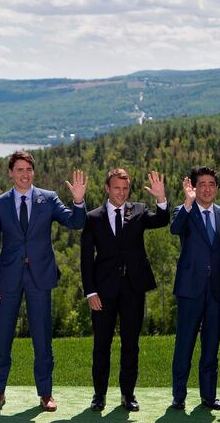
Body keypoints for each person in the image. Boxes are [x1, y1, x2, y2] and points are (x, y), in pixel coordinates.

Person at [0, 150, 87, 412]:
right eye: (19, 170)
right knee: (3, 338)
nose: (24, 174)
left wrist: (78, 200)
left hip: (40, 277)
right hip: (6, 280)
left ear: (33, 172)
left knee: (42, 339)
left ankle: (46, 393)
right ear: (11, 173)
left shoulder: (48, 199)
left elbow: (75, 223)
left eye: (28, 169)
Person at [80, 168, 169, 412]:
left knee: (131, 344)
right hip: (103, 292)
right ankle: (99, 395)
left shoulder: (139, 210)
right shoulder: (93, 217)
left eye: (125, 188)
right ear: (107, 189)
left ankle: (128, 395)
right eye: (116, 188)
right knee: (101, 345)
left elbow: (161, 220)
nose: (121, 193)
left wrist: (161, 199)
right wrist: (90, 292)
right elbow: (86, 259)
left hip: (133, 289)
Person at [170, 166, 220, 411]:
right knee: (184, 344)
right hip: (190, 289)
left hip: (217, 291)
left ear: (216, 188)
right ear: (194, 188)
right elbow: (175, 228)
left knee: (211, 345)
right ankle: (179, 395)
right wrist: (188, 202)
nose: (207, 188)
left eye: (211, 184)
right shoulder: (184, 211)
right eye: (202, 184)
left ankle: (209, 395)